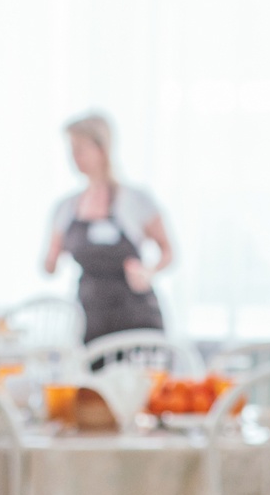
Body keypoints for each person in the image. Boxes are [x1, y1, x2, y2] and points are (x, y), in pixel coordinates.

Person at [41, 111, 174, 343]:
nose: (74, 157)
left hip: (137, 318)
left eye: (80, 149)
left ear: (102, 150)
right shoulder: (65, 208)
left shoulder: (136, 200)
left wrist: (148, 272)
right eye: (71, 150)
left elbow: (168, 252)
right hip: (90, 319)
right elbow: (49, 264)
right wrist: (51, 262)